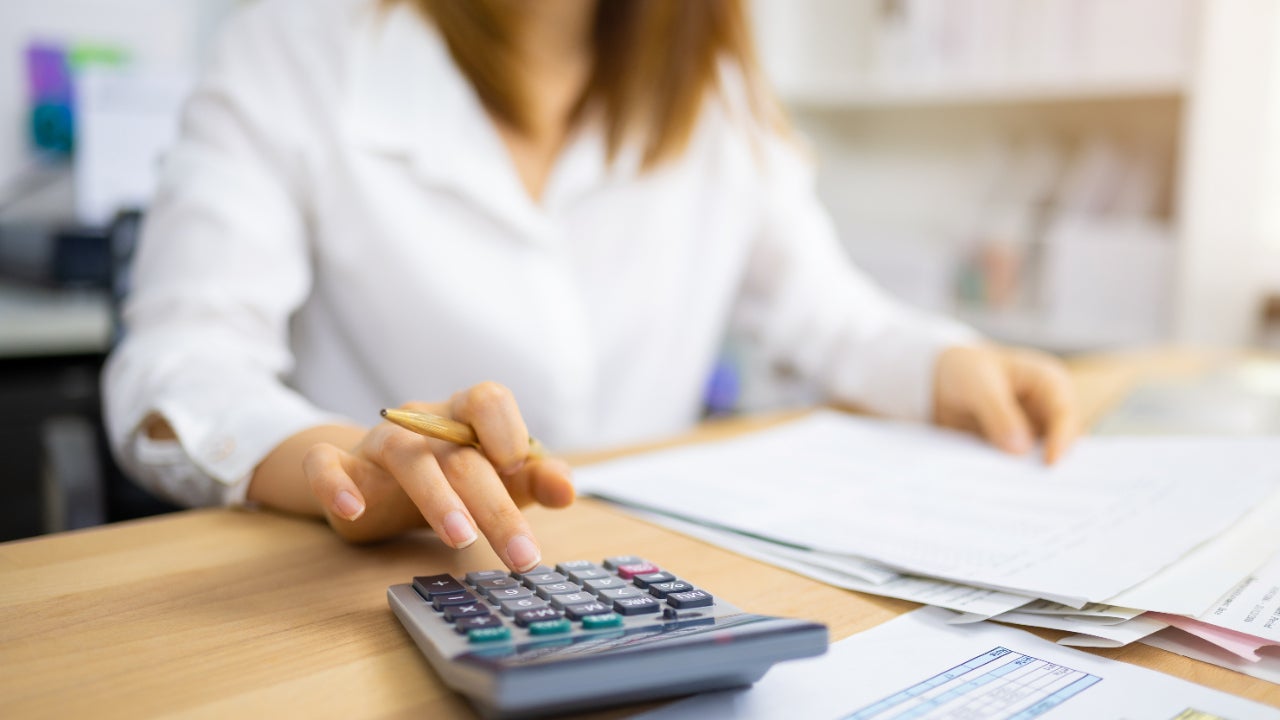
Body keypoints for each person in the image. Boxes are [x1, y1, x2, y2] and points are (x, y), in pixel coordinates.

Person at [103, 0, 1079, 573]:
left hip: (637, 578)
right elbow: (180, 362)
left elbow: (825, 311)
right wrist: (334, 465)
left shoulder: (714, 85)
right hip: (380, 587)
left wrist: (943, 361)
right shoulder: (290, 46)